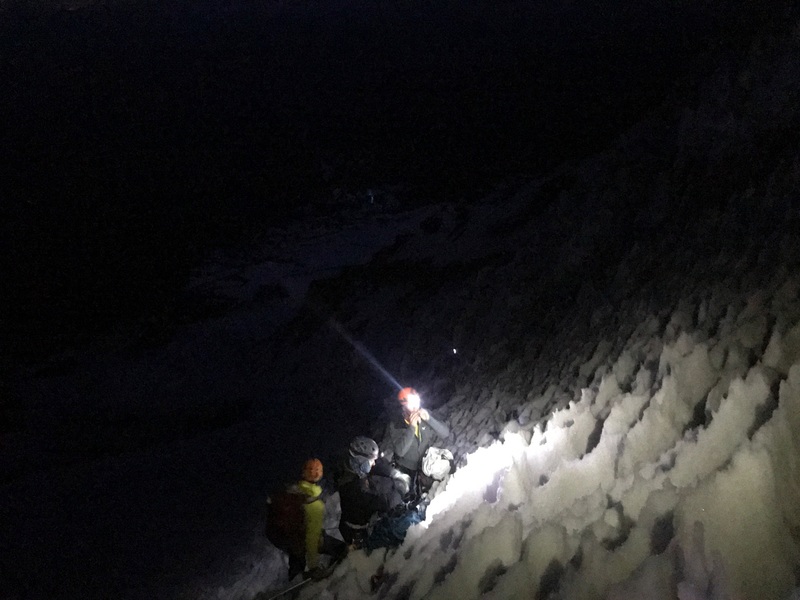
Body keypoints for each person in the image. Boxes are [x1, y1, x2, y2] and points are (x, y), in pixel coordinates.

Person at [335, 436, 410, 549]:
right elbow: (383, 503)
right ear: (362, 462)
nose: (374, 463)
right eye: (371, 461)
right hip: (357, 531)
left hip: (357, 520)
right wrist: (400, 489)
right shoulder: (353, 488)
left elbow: (376, 466)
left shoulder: (353, 465)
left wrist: (393, 473)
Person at [385, 387, 450, 503]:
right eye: (411, 404)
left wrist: (430, 419)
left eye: (416, 402)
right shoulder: (396, 424)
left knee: (431, 491)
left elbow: (445, 433)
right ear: (404, 407)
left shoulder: (425, 415)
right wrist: (412, 427)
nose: (415, 406)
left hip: (423, 463)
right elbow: (400, 451)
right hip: (406, 467)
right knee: (407, 497)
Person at [287, 458, 347, 581]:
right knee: (342, 549)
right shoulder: (314, 504)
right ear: (319, 475)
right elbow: (311, 539)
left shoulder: (294, 492)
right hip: (303, 539)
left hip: (291, 539)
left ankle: (294, 580)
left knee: (296, 559)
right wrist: (313, 567)